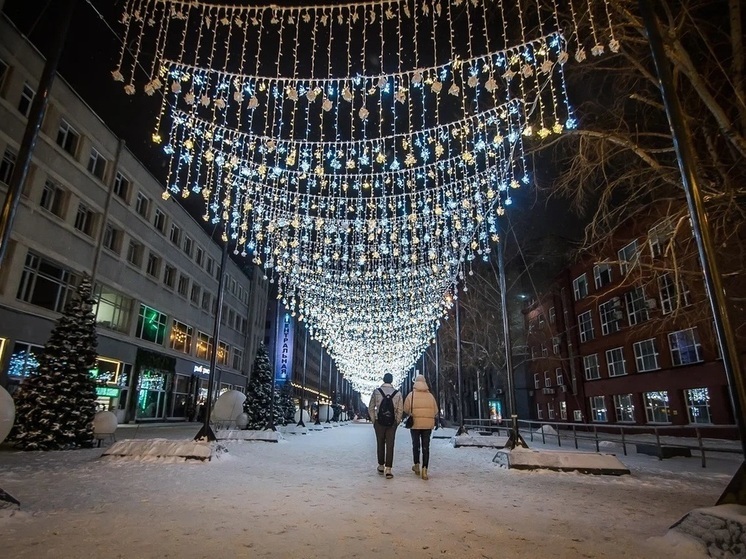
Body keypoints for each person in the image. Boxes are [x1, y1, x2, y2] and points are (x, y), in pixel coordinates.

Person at [402, 374, 439, 480]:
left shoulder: (411, 395)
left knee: (416, 445)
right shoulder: (430, 396)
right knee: (426, 447)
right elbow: (435, 410)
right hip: (428, 425)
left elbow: (406, 408)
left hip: (415, 424)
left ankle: (417, 464)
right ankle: (425, 470)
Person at [368, 373, 404, 479]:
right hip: (391, 423)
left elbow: (371, 407)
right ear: (392, 380)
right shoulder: (397, 393)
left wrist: (374, 420)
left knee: (380, 443)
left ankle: (380, 465)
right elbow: (400, 410)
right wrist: (396, 421)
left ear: (383, 380)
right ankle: (388, 469)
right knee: (390, 444)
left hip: (379, 422)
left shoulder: (377, 392)